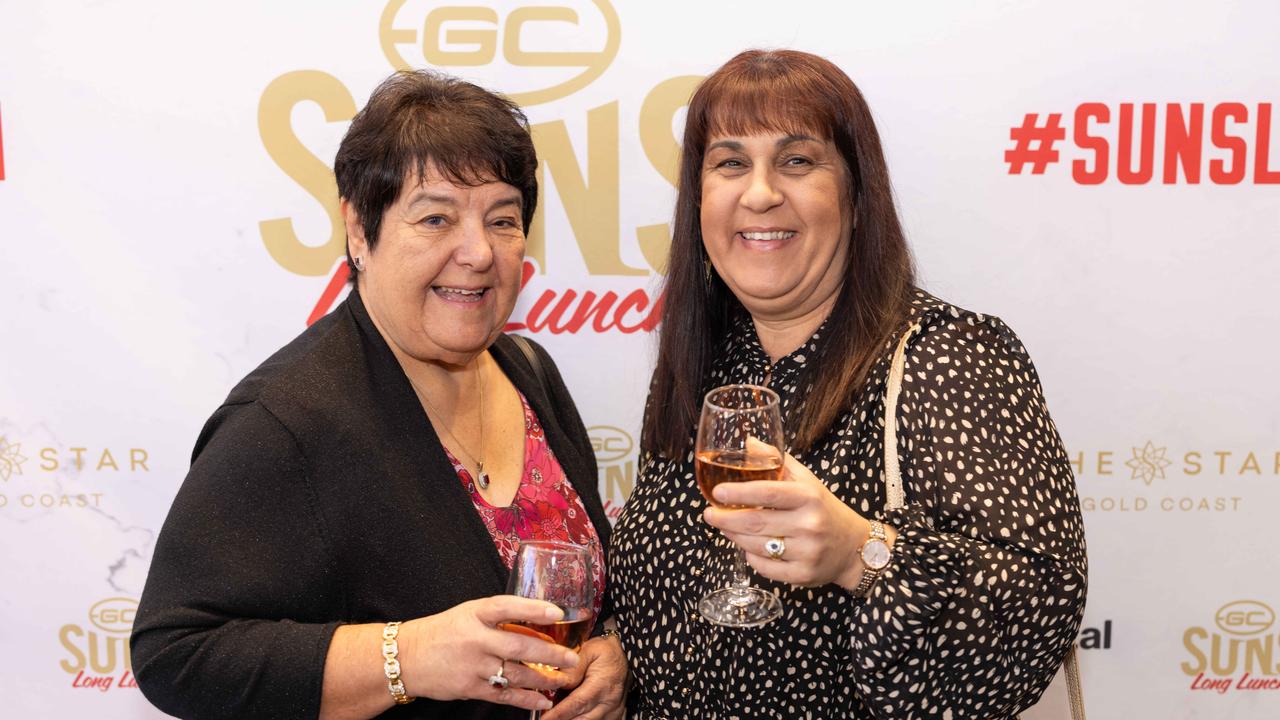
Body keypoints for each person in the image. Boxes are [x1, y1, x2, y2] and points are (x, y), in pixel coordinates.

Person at [131, 70, 626, 720]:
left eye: (502, 220)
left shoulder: (528, 369)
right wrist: (410, 655)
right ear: (360, 231)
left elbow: (586, 596)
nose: (478, 252)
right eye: (436, 217)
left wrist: (611, 654)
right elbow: (176, 653)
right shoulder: (288, 421)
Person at [609, 49, 1087, 719]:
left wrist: (859, 555)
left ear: (858, 197)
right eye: (730, 162)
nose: (759, 193)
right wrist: (614, 649)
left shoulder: (947, 356)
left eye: (797, 161)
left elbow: (1040, 606)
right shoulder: (700, 368)